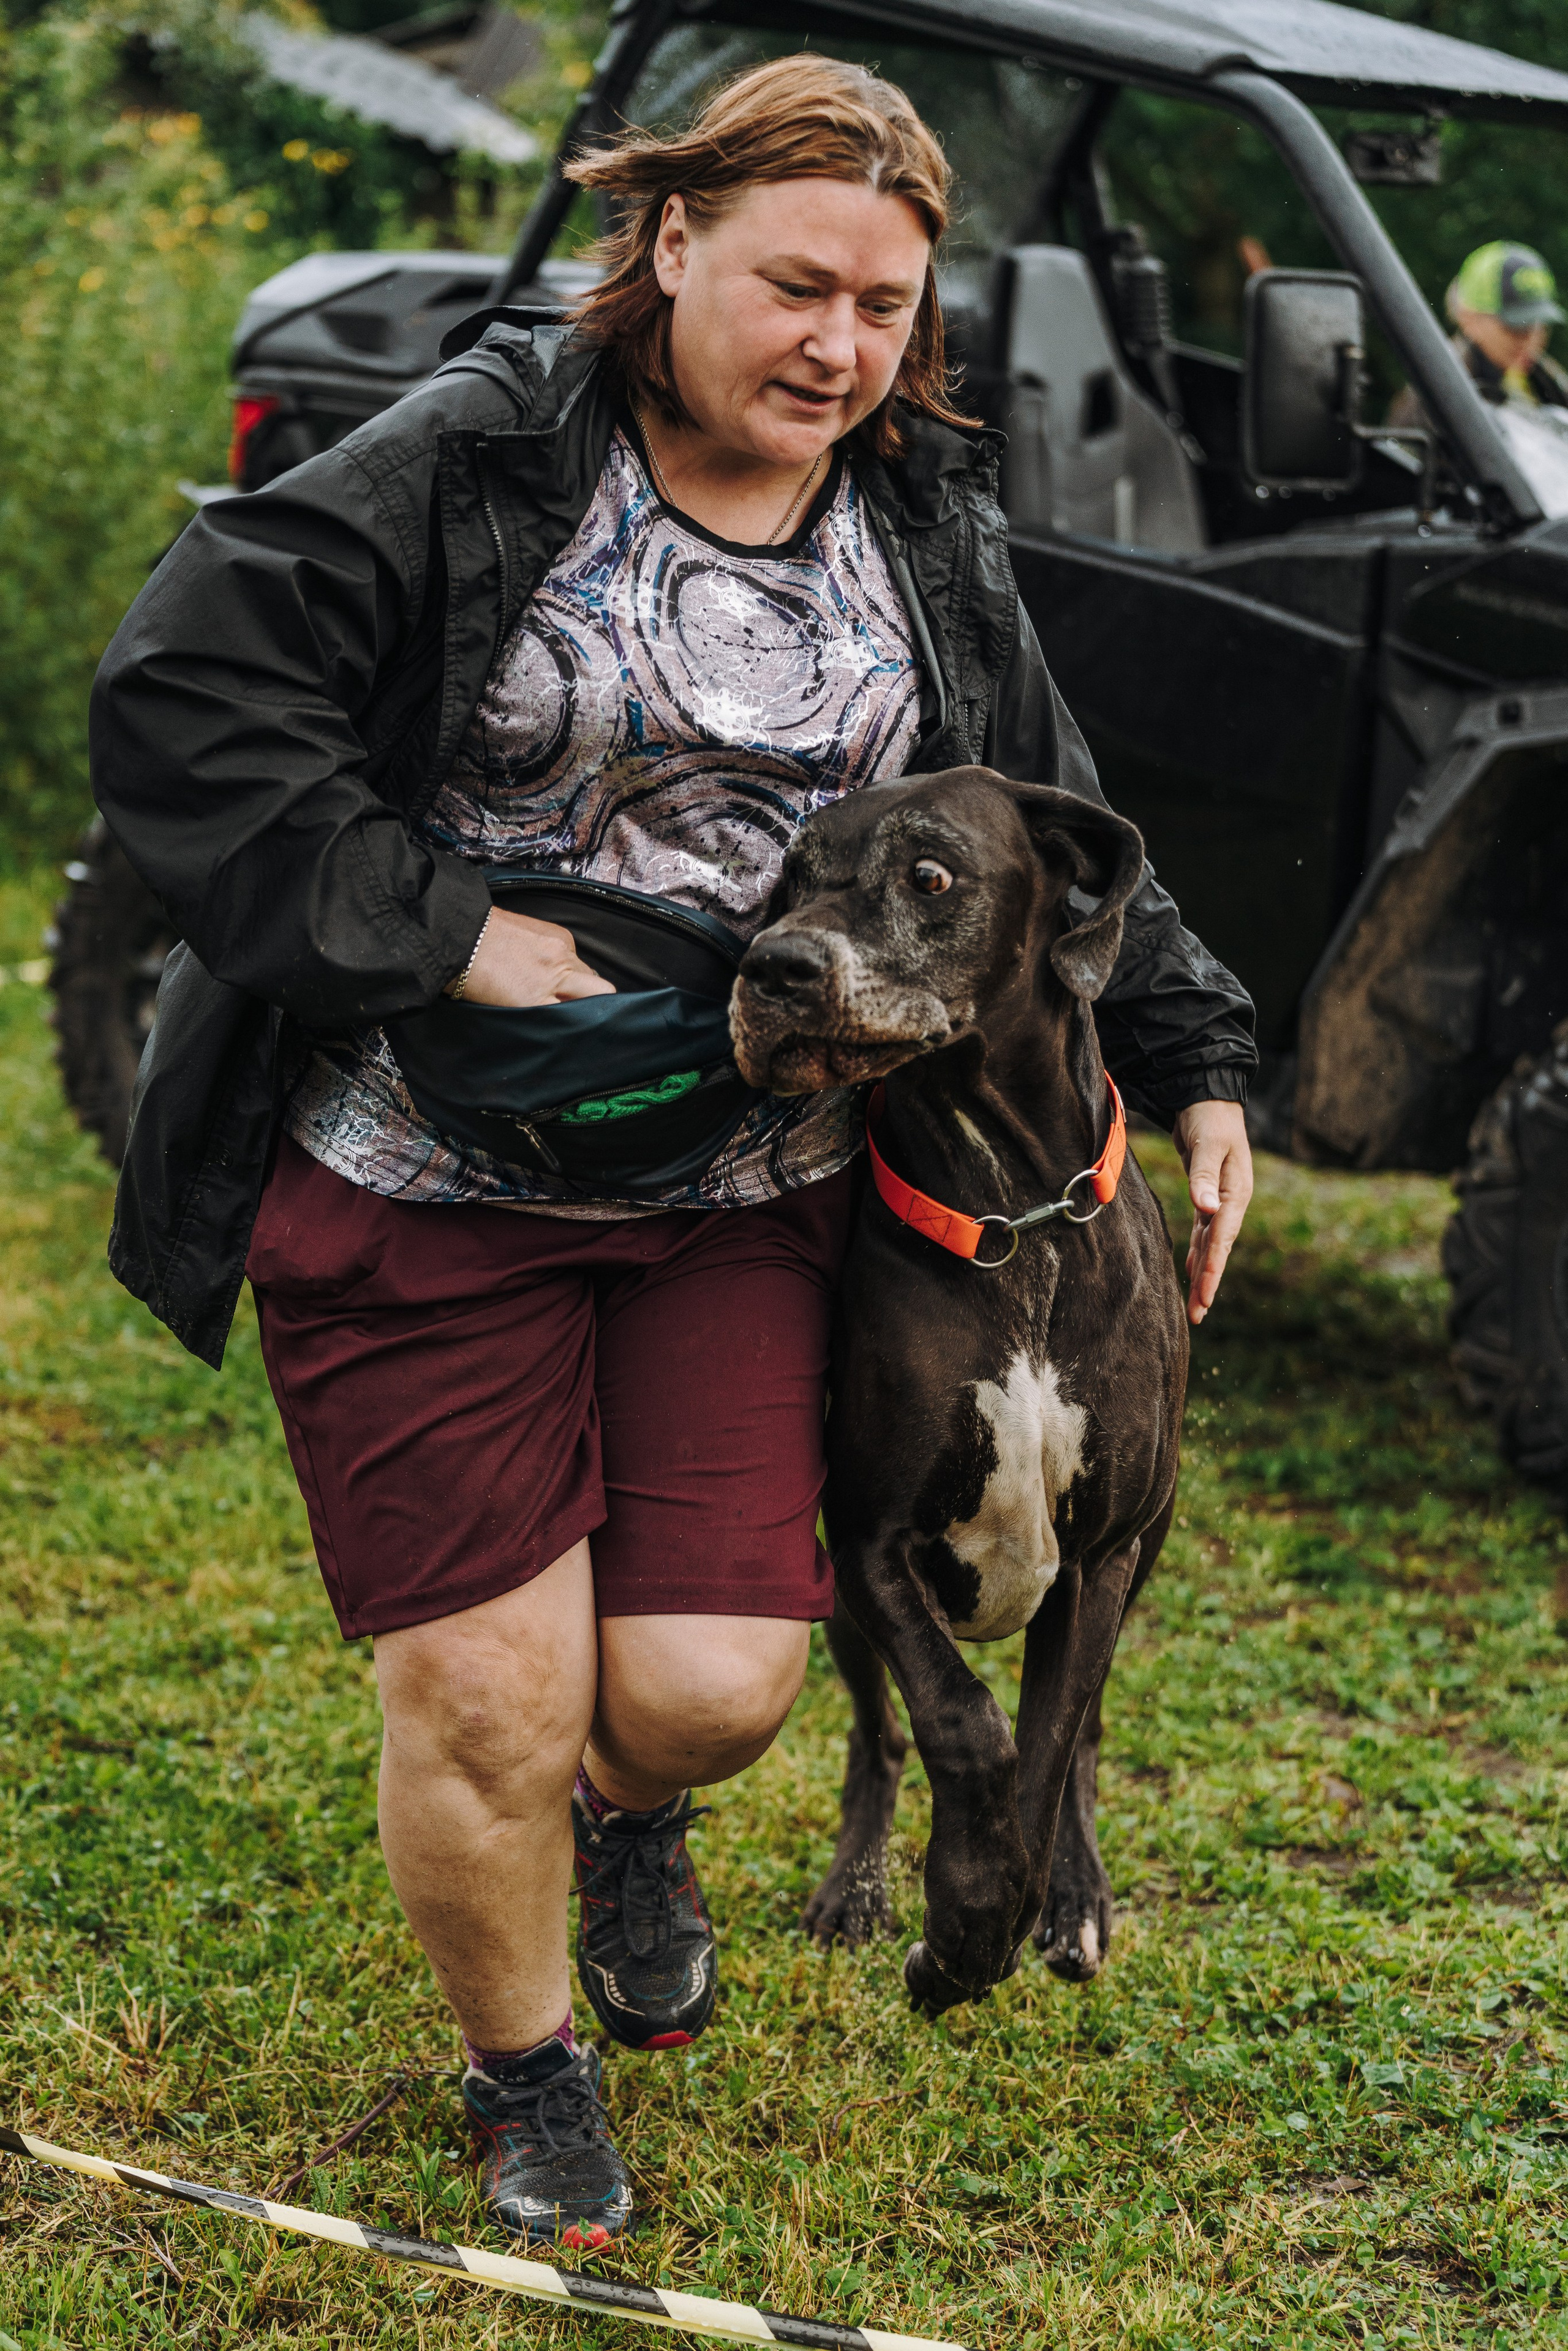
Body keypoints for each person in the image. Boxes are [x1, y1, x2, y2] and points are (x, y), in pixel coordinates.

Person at [88, 56, 1257, 2249]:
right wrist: (441, 926)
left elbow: (1052, 811)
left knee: (706, 1691)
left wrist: (1196, 1058)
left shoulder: (914, 522)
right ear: (673, 242)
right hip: (431, 1170)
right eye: (795, 285)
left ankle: (632, 1820)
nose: (837, 344)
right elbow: (185, 690)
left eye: (884, 306)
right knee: (488, 1697)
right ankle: (527, 2068)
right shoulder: (482, 454)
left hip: (745, 1191)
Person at [1390, 239, 1568, 426]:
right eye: (1517, 327)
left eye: (1540, 326)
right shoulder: (1437, 391)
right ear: (1469, 319)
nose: (1532, 340)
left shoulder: (1543, 379)